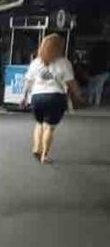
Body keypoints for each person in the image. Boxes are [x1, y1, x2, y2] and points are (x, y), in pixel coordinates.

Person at [21, 34, 85, 164]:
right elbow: (71, 83)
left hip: (37, 97)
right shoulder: (64, 62)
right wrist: (79, 96)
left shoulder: (36, 62)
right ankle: (44, 155)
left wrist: (24, 97)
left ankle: (36, 147)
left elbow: (28, 81)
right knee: (49, 127)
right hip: (55, 97)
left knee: (39, 123)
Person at [86, 42, 109, 106]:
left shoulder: (93, 53)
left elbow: (90, 62)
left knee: (92, 87)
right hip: (101, 72)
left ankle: (90, 100)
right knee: (98, 87)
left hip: (93, 72)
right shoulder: (105, 54)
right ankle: (96, 101)